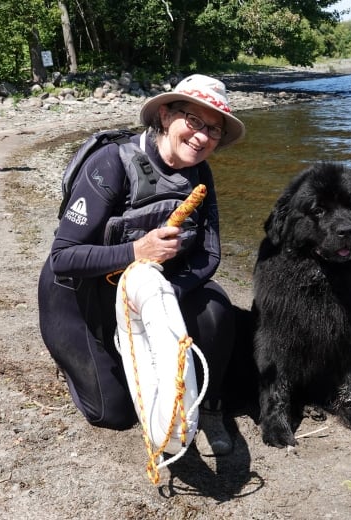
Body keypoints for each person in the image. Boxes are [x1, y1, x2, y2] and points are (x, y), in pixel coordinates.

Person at [37, 74, 245, 456]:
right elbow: (62, 256)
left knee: (217, 310)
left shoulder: (199, 173)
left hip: (150, 290)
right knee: (113, 414)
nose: (202, 137)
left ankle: (211, 407)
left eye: (214, 130)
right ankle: (74, 362)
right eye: (194, 121)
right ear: (165, 116)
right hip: (80, 295)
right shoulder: (111, 164)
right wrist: (137, 251)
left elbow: (209, 255)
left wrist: (162, 297)